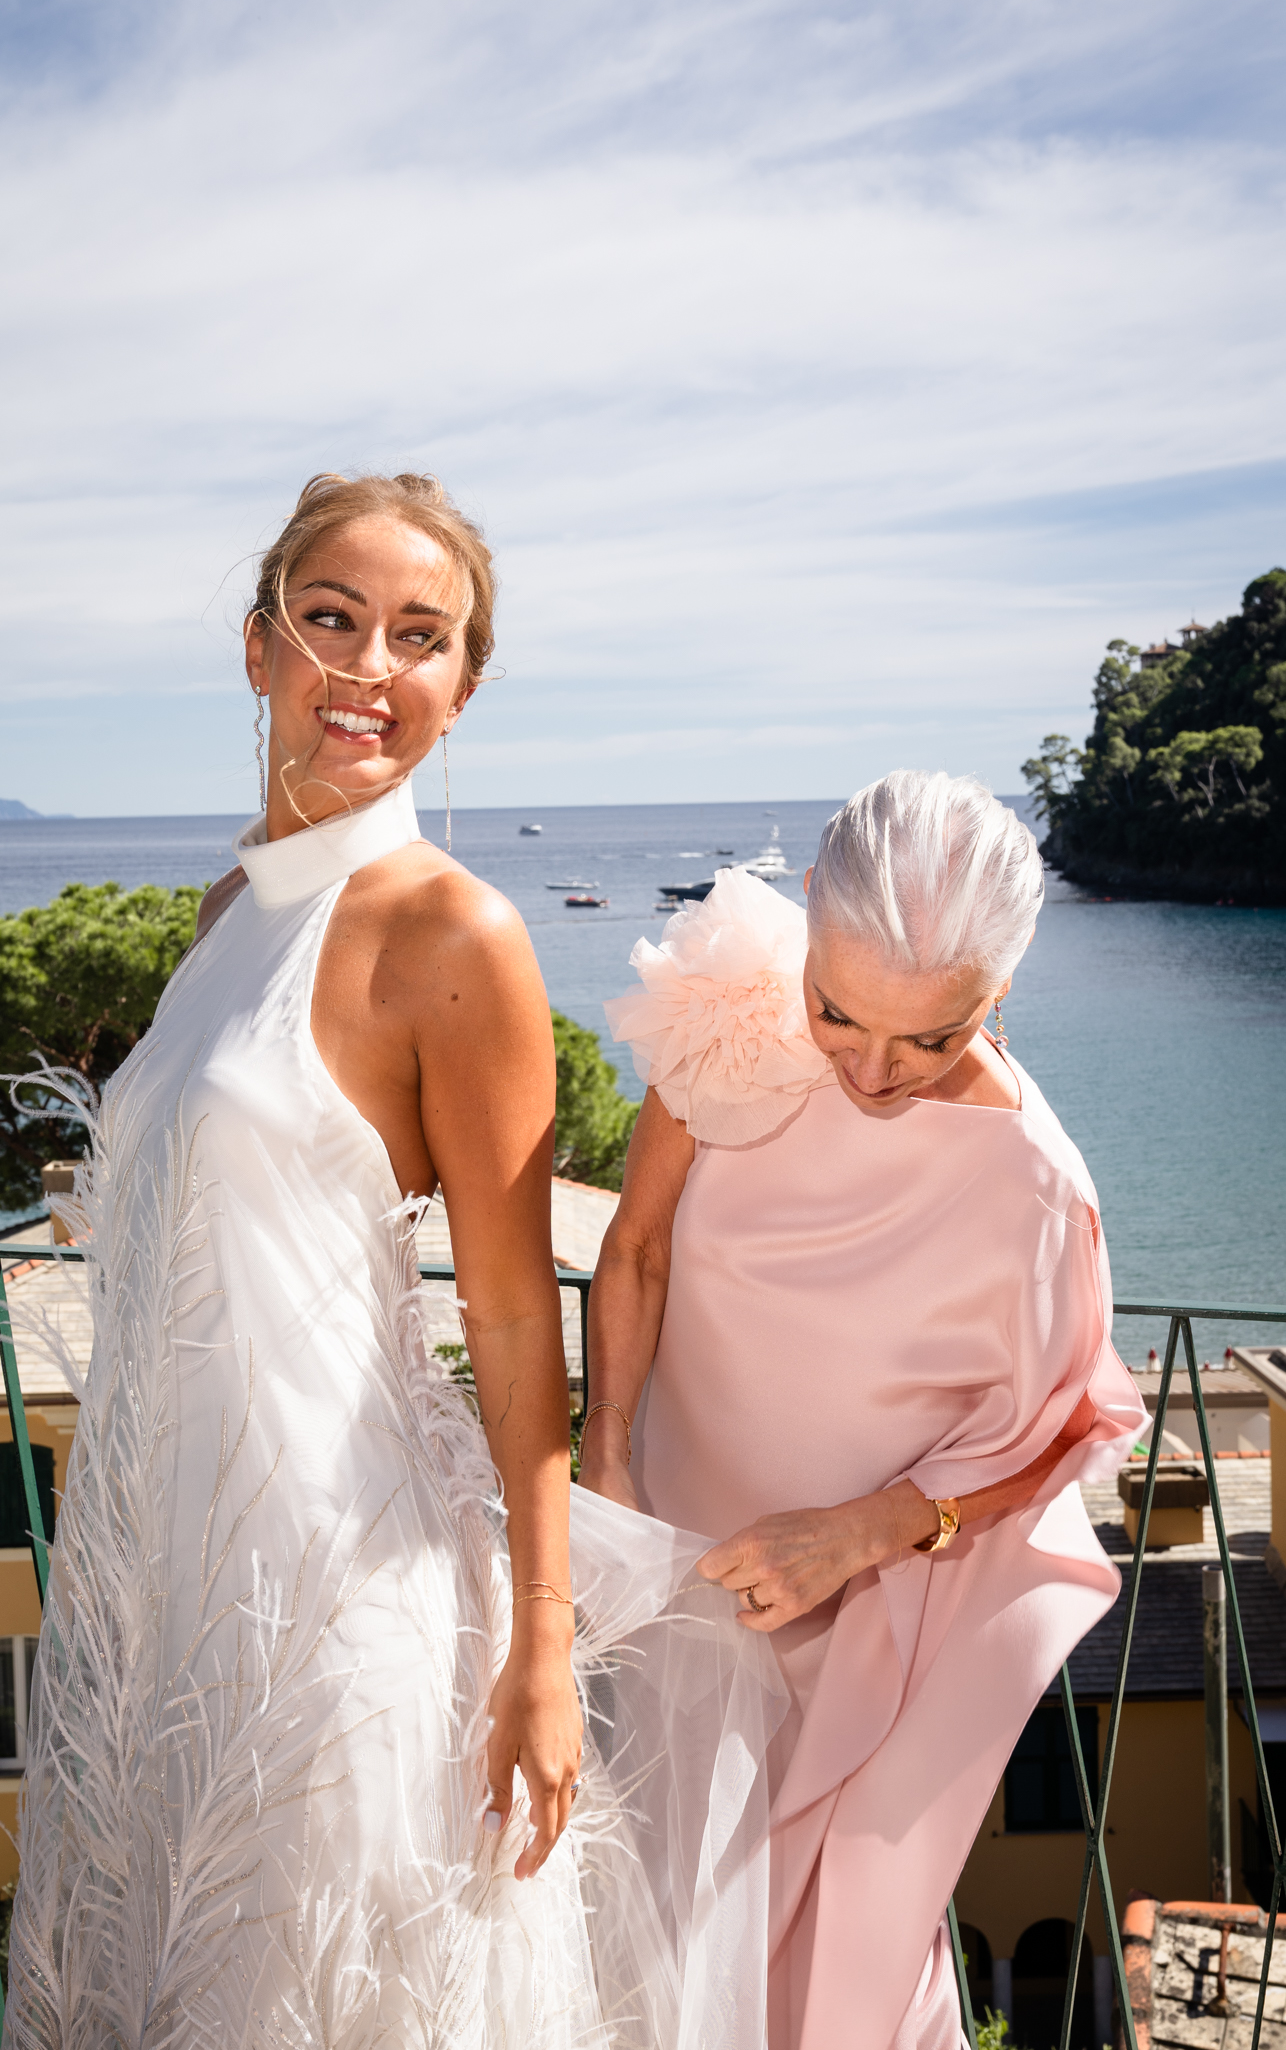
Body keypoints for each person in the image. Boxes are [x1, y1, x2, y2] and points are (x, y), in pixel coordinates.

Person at [6, 472, 753, 2050]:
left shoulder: (454, 933)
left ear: (461, 690)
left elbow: (506, 1324)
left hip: (345, 1623)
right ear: (260, 646)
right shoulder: (227, 915)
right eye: (329, 619)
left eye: (419, 637)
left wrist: (541, 1657)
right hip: (163, 1608)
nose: (368, 667)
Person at [580, 770, 1148, 2050]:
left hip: (857, 1628)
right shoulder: (732, 1013)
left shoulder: (1036, 1190)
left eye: (929, 1038)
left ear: (999, 995)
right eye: (836, 1012)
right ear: (808, 945)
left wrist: (857, 1534)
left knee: (817, 1981)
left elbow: (1064, 1432)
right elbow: (636, 1252)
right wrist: (604, 1453)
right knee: (640, 1945)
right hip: (664, 1571)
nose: (872, 1069)